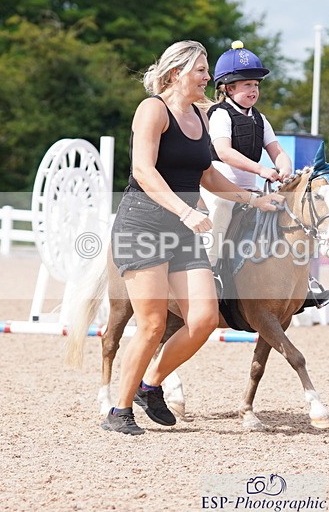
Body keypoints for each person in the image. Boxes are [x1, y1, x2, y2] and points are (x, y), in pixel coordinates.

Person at [102, 40, 283, 435]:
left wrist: (253, 199)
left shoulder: (201, 117)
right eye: (200, 70)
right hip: (144, 225)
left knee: (203, 319)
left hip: (182, 231)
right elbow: (144, 171)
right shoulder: (153, 110)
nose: (207, 77)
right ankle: (118, 411)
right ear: (175, 74)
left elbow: (208, 175)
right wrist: (185, 210)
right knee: (151, 325)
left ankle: (150, 386)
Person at [202, 41, 329, 308]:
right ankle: (211, 274)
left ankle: (302, 281)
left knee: (284, 219)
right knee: (222, 210)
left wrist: (283, 166)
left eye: (257, 85)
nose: (254, 90)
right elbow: (224, 152)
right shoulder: (219, 115)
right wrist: (262, 169)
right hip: (218, 187)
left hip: (251, 191)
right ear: (228, 88)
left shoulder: (260, 119)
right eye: (247, 84)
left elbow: (277, 151)